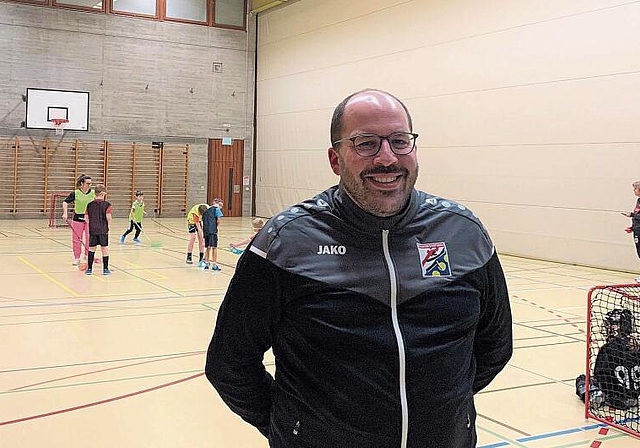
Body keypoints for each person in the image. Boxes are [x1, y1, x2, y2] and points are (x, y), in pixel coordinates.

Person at [205, 89, 513, 448]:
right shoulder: (285, 244)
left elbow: (495, 346)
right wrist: (293, 428)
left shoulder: (463, 233)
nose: (387, 158)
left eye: (400, 141)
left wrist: (445, 412)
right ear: (336, 160)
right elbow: (230, 363)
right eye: (366, 143)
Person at [576, 308, 640, 409]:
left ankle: (597, 395)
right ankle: (630, 398)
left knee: (582, 379)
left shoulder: (608, 349)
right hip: (634, 394)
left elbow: (600, 375)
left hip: (616, 393)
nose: (608, 326)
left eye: (611, 324)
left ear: (619, 326)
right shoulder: (636, 347)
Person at [62, 174, 95, 265]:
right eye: (88, 183)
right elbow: (65, 202)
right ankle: (77, 257)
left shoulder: (93, 193)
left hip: (90, 219)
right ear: (82, 184)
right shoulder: (75, 193)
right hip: (77, 219)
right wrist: (65, 213)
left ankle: (88, 255)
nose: (89, 185)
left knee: (90, 238)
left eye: (90, 183)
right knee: (76, 239)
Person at [84, 184, 112, 276]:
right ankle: (105, 269)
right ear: (103, 193)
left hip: (93, 230)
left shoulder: (89, 205)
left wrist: (91, 225)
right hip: (103, 230)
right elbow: (108, 217)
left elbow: (86, 218)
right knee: (104, 249)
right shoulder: (107, 205)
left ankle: (89, 269)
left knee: (91, 249)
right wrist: (108, 226)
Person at [621, 180, 640, 282]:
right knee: (639, 252)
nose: (634, 191)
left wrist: (632, 215)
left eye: (635, 189)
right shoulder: (638, 201)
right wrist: (632, 228)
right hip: (637, 230)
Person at [202, 198, 224, 271]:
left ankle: (207, 263)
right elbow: (218, 221)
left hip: (206, 231)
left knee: (208, 247)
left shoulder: (205, 210)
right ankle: (214, 264)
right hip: (213, 231)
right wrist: (215, 226)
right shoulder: (216, 209)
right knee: (214, 247)